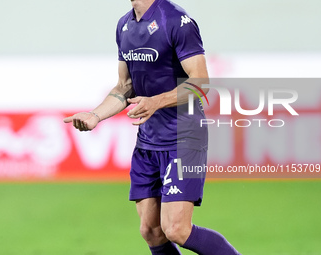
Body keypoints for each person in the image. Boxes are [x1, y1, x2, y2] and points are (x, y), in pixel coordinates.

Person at [64, 0, 240, 254]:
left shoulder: (177, 21)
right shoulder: (124, 25)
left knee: (177, 229)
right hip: (148, 140)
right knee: (151, 231)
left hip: (183, 136)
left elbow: (201, 82)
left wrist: (156, 102)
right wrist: (95, 116)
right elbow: (124, 87)